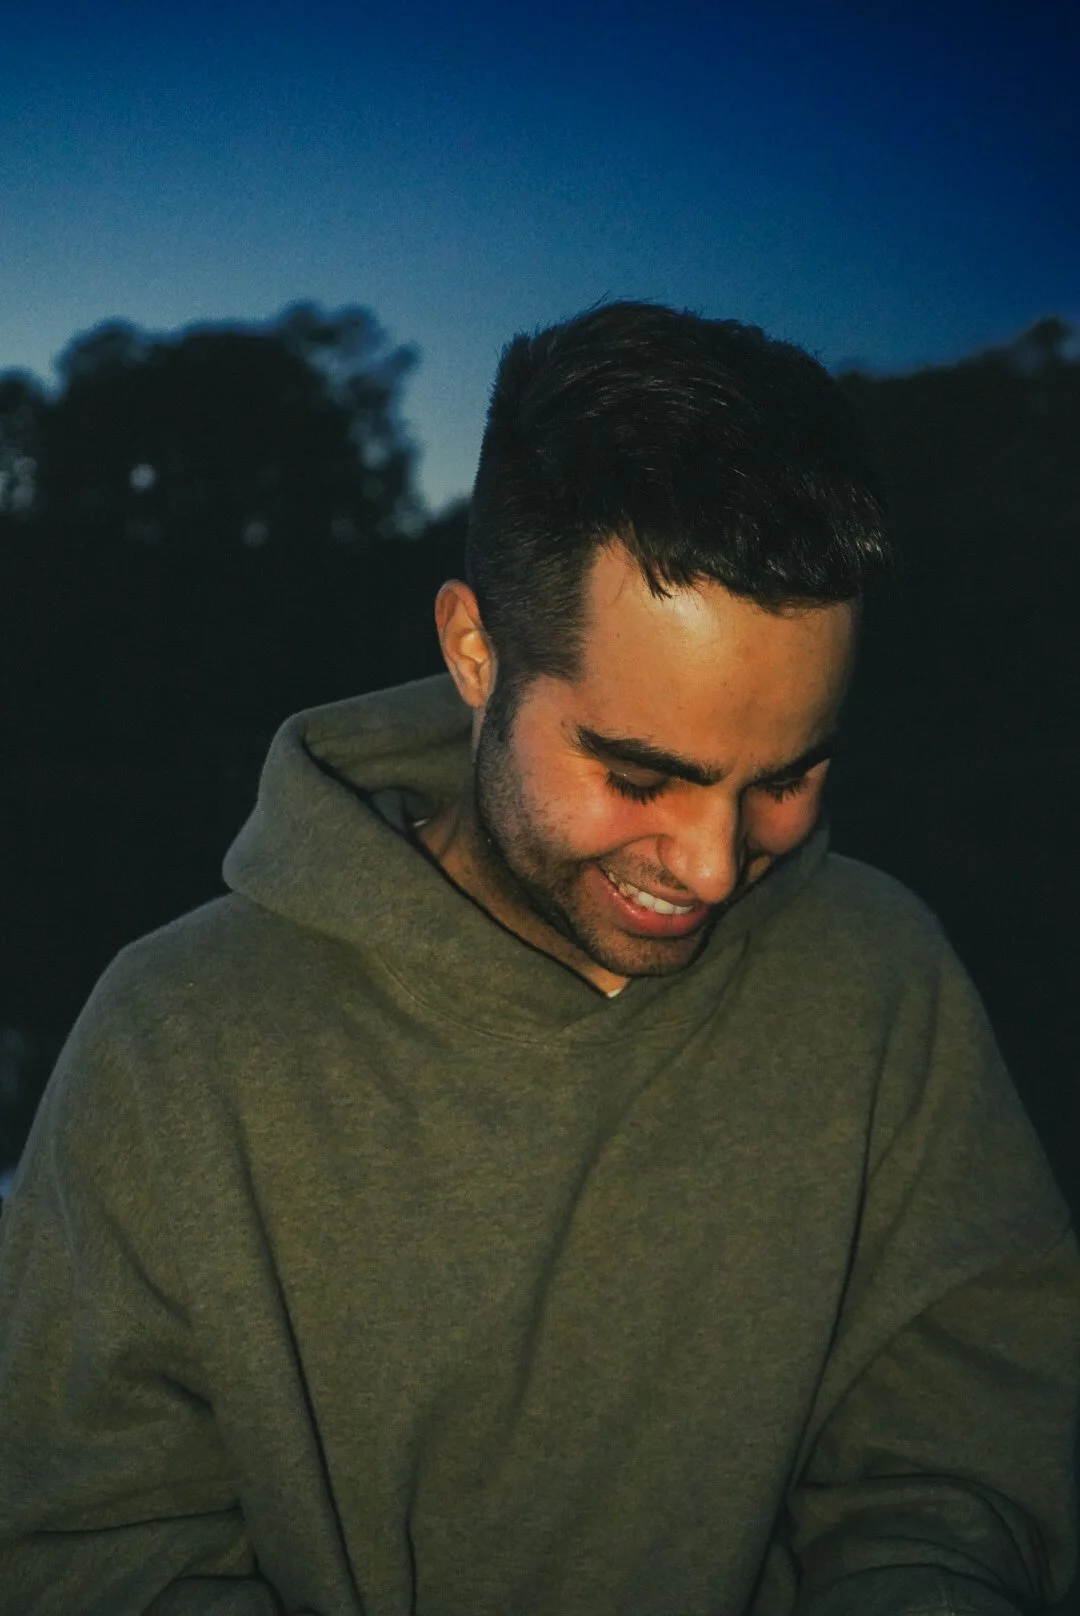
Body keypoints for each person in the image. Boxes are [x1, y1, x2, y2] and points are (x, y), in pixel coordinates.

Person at [0, 302, 1076, 1616]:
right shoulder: (175, 1038)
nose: (715, 866)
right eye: (641, 776)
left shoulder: (884, 978)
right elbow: (87, 1542)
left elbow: (957, 1458)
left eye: (786, 777)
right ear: (475, 653)